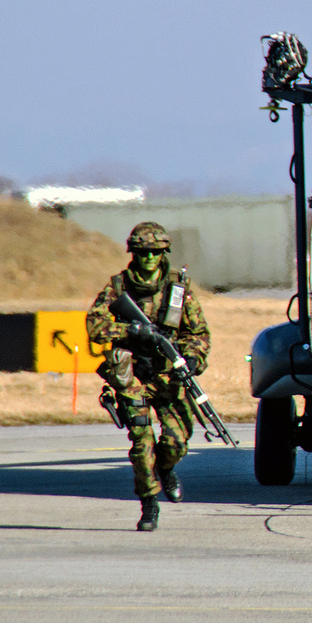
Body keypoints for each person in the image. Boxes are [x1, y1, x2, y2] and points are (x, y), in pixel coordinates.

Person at [86, 222, 211, 532]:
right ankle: (149, 504)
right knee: (142, 445)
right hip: (133, 378)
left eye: (155, 253)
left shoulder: (177, 290)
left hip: (168, 378)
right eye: (143, 253)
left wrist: (192, 358)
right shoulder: (118, 288)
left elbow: (198, 332)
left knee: (176, 442)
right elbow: (95, 326)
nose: (149, 259)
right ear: (134, 254)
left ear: (163, 253)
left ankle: (166, 469)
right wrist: (130, 331)